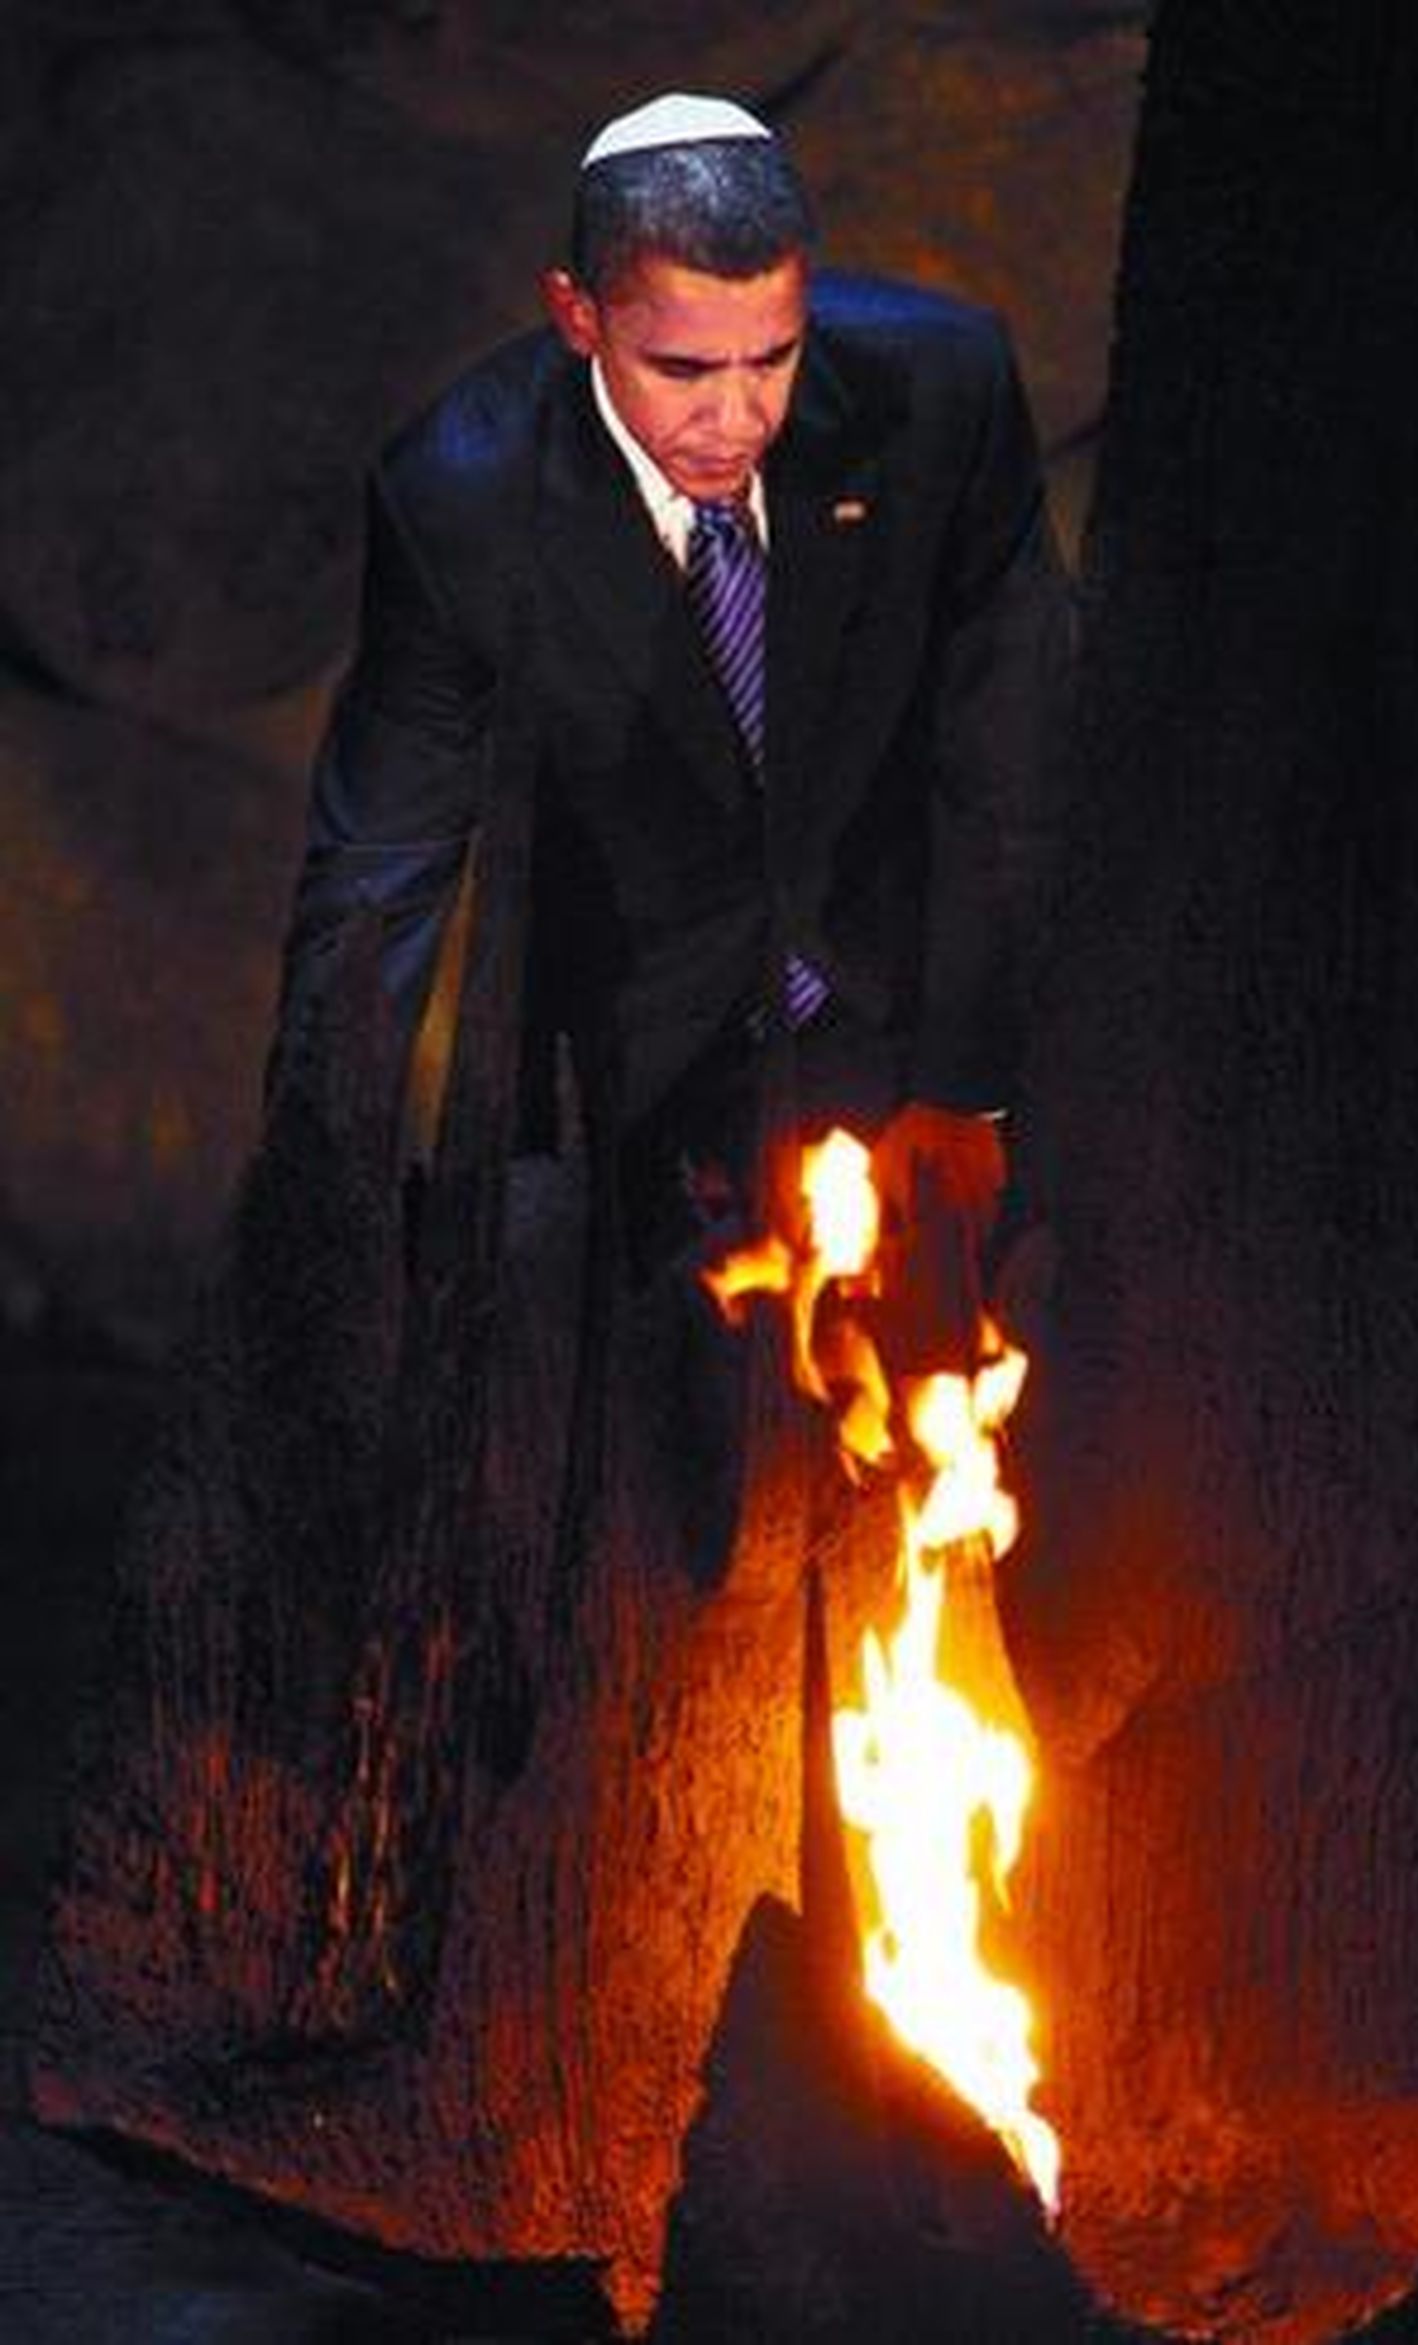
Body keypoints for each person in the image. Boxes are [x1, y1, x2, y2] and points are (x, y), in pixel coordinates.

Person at [268, 89, 1067, 1579]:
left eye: (773, 355)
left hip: (906, 1020)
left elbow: (1008, 752)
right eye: (683, 367)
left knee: (956, 1499)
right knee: (671, 1537)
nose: (737, 412)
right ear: (579, 316)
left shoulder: (940, 392)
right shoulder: (461, 493)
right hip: (640, 1059)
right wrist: (318, 1212)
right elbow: (379, 871)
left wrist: (974, 1084)